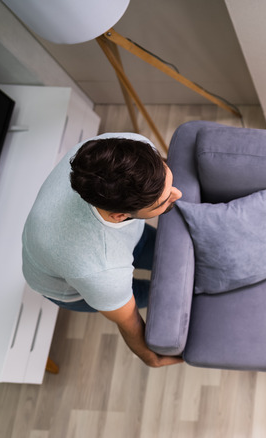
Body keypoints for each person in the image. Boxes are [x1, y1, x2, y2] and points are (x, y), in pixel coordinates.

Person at [22, 133, 183, 368]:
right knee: (157, 295)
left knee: (166, 263)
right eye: (162, 202)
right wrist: (152, 357)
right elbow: (130, 322)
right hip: (71, 283)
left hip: (111, 243)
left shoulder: (125, 148)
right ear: (119, 215)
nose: (178, 194)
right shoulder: (99, 269)